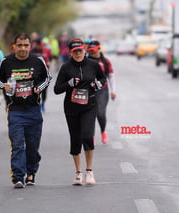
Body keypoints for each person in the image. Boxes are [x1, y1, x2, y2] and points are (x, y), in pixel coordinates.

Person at [0, 33, 51, 188]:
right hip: (15, 110)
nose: (23, 48)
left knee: (33, 146)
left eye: (26, 45)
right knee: (18, 144)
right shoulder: (6, 62)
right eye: (20, 45)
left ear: (30, 46)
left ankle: (31, 172)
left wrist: (38, 88)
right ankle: (18, 176)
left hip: (34, 110)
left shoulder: (38, 61)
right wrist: (4, 86)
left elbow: (47, 78)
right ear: (15, 46)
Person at [54, 38, 106, 186]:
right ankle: (78, 173)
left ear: (84, 51)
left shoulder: (93, 65)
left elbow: (103, 78)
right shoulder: (66, 68)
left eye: (80, 51)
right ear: (70, 52)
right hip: (71, 107)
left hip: (89, 105)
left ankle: (89, 171)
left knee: (87, 136)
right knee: (75, 138)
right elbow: (57, 89)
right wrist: (69, 83)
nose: (78, 54)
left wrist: (97, 84)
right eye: (75, 51)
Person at [87, 40, 116, 144]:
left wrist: (113, 91)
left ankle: (103, 132)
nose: (92, 53)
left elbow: (111, 76)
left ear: (99, 49)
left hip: (102, 90)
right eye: (90, 51)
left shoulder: (105, 61)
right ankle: (91, 135)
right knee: (90, 114)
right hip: (88, 90)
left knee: (100, 113)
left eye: (94, 50)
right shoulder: (85, 61)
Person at [31, 38, 53, 112]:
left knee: (44, 90)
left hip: (44, 73)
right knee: (35, 89)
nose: (41, 46)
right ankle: (37, 103)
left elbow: (50, 56)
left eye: (42, 45)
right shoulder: (32, 51)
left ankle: (43, 103)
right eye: (39, 45)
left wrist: (49, 61)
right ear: (36, 45)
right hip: (35, 74)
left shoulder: (46, 50)